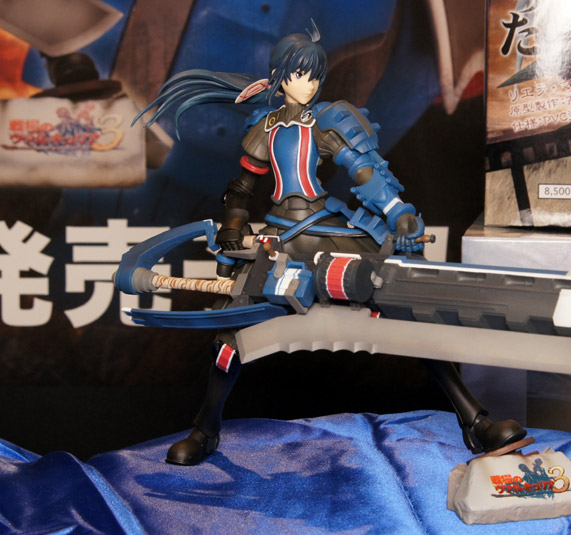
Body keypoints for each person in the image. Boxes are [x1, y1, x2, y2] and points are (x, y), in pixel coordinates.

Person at [135, 21, 525, 465]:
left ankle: (474, 421)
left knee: (402, 305)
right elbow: (242, 188)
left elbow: (363, 170)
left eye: (315, 75)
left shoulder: (326, 120)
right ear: (281, 76)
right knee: (231, 334)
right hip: (278, 238)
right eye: (300, 74)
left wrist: (396, 210)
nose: (309, 84)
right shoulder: (264, 127)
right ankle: (205, 430)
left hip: (326, 229)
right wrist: (232, 228)